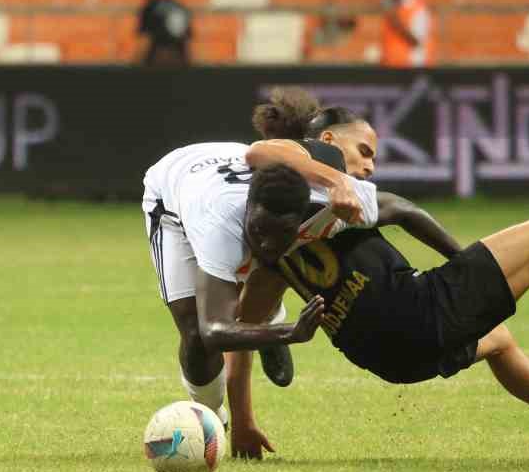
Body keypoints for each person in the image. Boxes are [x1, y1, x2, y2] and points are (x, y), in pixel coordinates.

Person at [224, 89, 529, 462]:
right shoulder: (328, 171)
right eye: (363, 151)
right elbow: (401, 208)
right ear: (325, 139)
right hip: (416, 315)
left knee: (499, 341)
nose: (369, 166)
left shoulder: (273, 244)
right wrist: (467, 267)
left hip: (388, 360)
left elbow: (244, 328)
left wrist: (243, 418)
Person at [141, 137, 374, 443]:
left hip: (228, 182)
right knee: (196, 336)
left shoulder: (340, 205)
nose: (267, 242)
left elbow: (404, 212)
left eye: (282, 232)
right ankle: (210, 420)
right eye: (260, 230)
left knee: (269, 257)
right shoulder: (219, 224)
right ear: (249, 207)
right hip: (173, 195)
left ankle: (267, 318)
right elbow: (213, 330)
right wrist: (290, 333)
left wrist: (456, 260)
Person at [134, 0, 192, 66]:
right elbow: (188, 43)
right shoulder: (179, 6)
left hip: (158, 65)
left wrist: (134, 67)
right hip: (179, 63)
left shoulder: (150, 7)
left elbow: (145, 42)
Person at [379, 0, 433, 67]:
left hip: (411, 68)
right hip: (390, 66)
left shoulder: (418, 9)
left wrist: (396, 22)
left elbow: (416, 41)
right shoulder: (389, 5)